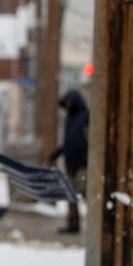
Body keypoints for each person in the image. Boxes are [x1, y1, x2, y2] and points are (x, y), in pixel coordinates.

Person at [48, 90, 89, 234]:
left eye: (69, 103)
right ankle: (73, 225)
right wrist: (57, 154)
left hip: (83, 165)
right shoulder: (69, 119)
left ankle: (97, 224)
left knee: (86, 193)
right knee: (71, 195)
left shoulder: (86, 117)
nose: (67, 107)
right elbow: (69, 142)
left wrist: (87, 159)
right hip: (70, 163)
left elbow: (88, 141)